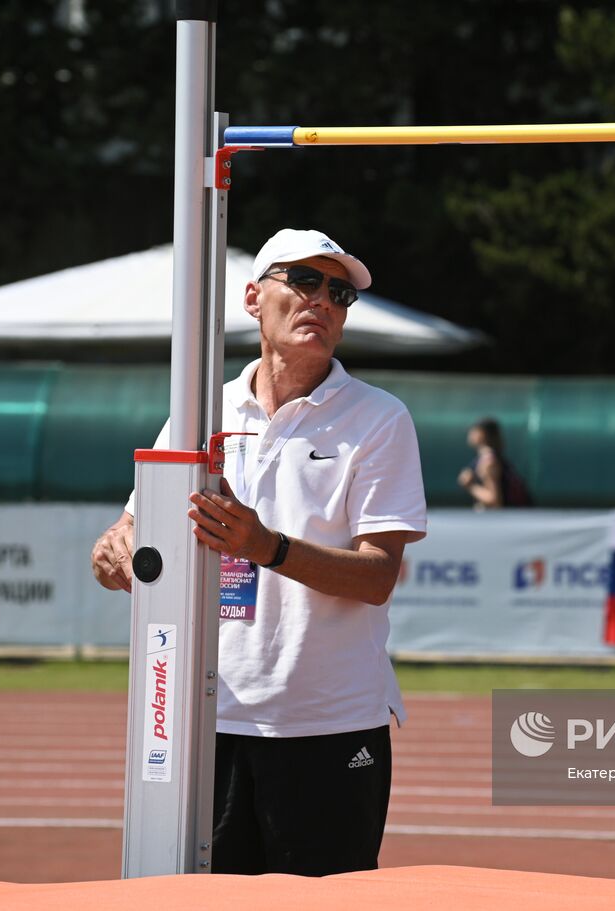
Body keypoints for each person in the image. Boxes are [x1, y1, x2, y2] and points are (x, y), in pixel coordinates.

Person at [90, 228, 427, 876]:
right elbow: (125, 536)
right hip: (205, 723)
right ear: (253, 297)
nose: (322, 300)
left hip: (328, 724)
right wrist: (112, 552)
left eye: (339, 292)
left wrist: (265, 546)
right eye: (303, 280)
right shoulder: (200, 410)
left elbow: (378, 576)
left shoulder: (380, 417)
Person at [456, 416, 532, 508]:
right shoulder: (490, 458)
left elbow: (494, 501)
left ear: (482, 434)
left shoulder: (488, 462)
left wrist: (470, 486)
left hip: (505, 516)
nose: (470, 433)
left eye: (473, 430)